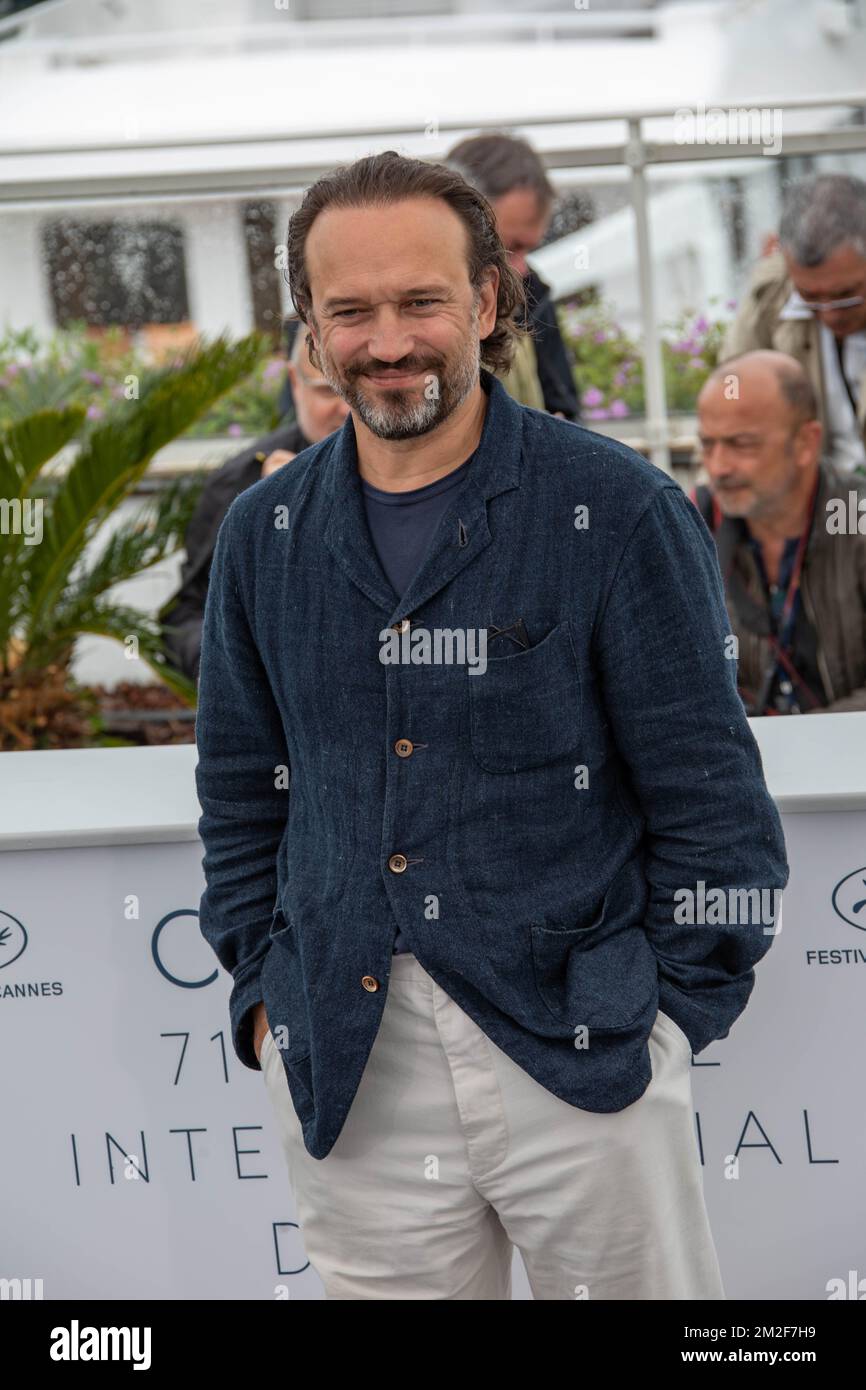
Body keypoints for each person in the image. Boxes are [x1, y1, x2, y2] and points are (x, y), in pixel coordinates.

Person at [194, 150, 788, 1301]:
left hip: (582, 1043)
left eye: (419, 301)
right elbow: (238, 788)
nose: (386, 340)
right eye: (348, 310)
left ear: (484, 302)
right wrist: (267, 999)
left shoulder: (616, 511)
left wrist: (662, 1017)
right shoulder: (263, 534)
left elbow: (711, 801)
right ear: (310, 330)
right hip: (348, 1057)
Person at [160, 328, 349, 680]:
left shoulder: (437, 470)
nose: (348, 408)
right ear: (294, 383)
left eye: (357, 386)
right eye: (327, 390)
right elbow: (186, 616)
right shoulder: (239, 481)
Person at [692, 349, 866, 715]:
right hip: (740, 761)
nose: (718, 467)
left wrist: (803, 742)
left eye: (742, 444)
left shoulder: (858, 517)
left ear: (806, 443)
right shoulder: (693, 524)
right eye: (708, 444)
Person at [722, 173, 866, 476]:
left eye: (846, 295)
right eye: (810, 297)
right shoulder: (770, 292)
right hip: (818, 499)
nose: (830, 315)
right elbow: (731, 392)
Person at [446, 131, 580, 420]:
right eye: (508, 248)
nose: (520, 269)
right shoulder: (427, 310)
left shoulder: (534, 295)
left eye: (528, 249)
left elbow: (564, 405)